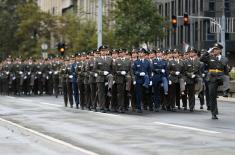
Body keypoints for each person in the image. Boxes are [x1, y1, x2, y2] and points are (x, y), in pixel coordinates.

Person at [200, 43, 229, 119]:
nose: (214, 50)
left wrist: (226, 76)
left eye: (216, 49)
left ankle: (225, 91)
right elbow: (201, 59)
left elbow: (225, 69)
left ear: (220, 50)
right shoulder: (209, 57)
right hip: (212, 77)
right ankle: (214, 113)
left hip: (220, 75)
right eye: (214, 49)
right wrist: (208, 52)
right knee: (212, 96)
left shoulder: (224, 58)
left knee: (226, 77)